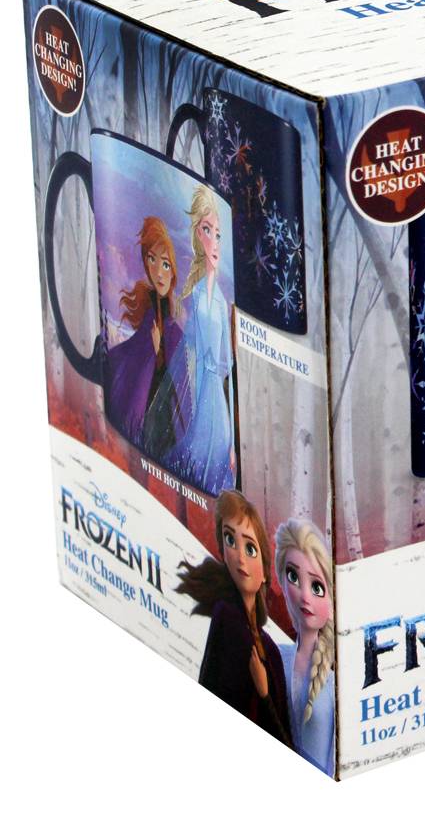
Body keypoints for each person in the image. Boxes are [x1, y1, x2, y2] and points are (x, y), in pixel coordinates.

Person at [176, 491, 292, 745]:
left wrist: (264, 693)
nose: (239, 556)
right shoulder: (227, 619)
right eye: (230, 540)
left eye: (250, 548)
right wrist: (263, 694)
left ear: (265, 573)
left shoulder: (271, 650)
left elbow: (284, 736)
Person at [164, 185, 236, 494]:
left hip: (216, 390)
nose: (214, 241)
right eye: (207, 231)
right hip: (201, 386)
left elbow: (226, 364)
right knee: (195, 447)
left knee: (219, 447)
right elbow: (189, 345)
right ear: (197, 234)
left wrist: (234, 443)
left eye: (217, 234)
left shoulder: (221, 302)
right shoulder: (195, 295)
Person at [106, 217, 185, 459]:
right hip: (145, 411)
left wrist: (160, 351)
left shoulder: (174, 330)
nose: (158, 272)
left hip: (163, 412)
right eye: (152, 260)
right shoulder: (150, 315)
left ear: (173, 270)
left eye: (166, 265)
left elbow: (177, 379)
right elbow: (136, 358)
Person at [275, 519, 336, 776]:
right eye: (293, 577)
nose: (305, 596)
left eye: (317, 587)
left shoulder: (334, 683)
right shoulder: (275, 655)